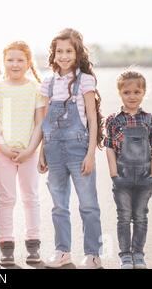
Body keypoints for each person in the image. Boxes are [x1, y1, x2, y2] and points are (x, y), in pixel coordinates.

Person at [39, 28, 104, 269]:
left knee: (88, 204)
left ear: (77, 54)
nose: (64, 55)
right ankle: (62, 251)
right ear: (53, 55)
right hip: (54, 149)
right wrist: (42, 151)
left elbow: (92, 118)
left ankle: (93, 254)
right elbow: (45, 120)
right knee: (59, 205)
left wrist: (90, 154)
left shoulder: (85, 80)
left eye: (69, 51)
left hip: (79, 149)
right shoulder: (48, 82)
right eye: (60, 51)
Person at [0, 41, 45, 265]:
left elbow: (40, 123)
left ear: (28, 63)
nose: (15, 64)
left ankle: (33, 244)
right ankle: (6, 245)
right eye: (10, 60)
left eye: (20, 60)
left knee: (31, 198)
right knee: (6, 199)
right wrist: (3, 147)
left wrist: (31, 149)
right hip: (3, 153)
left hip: (29, 153)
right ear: (3, 62)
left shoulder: (36, 89)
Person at [105, 70, 152, 269]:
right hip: (123, 176)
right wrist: (114, 175)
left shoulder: (149, 119)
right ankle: (125, 255)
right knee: (124, 216)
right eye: (127, 92)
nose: (132, 96)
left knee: (140, 216)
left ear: (144, 92)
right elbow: (110, 148)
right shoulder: (113, 119)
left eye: (137, 92)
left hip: (145, 176)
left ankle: (138, 254)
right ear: (120, 93)